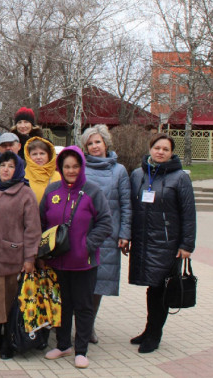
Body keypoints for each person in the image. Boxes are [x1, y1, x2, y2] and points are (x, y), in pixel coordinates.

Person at [40, 146, 111, 369]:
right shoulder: (52, 191)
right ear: (60, 168)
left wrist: (87, 245)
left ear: (82, 167)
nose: (71, 170)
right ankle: (63, 345)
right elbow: (41, 221)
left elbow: (105, 223)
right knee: (62, 304)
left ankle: (81, 349)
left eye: (75, 166)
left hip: (83, 262)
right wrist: (43, 251)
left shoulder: (92, 191)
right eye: (66, 166)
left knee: (83, 305)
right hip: (57, 261)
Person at [128, 133, 195, 354]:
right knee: (151, 288)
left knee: (161, 288)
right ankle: (149, 329)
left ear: (171, 153)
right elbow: (130, 207)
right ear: (151, 148)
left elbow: (188, 213)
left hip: (167, 243)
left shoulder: (180, 178)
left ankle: (155, 334)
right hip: (143, 241)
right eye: (157, 148)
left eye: (165, 149)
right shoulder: (138, 174)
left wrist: (187, 244)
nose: (160, 152)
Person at [0, 151, 40, 360]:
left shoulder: (25, 193)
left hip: (11, 256)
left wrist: (30, 257)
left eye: (11, 166)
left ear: (18, 170)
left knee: (8, 301)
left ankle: (8, 339)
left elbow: (32, 229)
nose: (6, 169)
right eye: (3, 165)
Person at [81, 124, 131, 345]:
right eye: (90, 143)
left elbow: (126, 204)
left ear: (106, 143)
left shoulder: (119, 171)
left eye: (97, 142)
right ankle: (75, 322)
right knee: (79, 281)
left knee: (99, 283)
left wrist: (125, 233)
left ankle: (88, 326)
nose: (94, 146)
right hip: (82, 233)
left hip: (107, 236)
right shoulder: (80, 168)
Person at [24, 137, 61, 202]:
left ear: (49, 155)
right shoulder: (23, 177)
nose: (38, 157)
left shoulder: (59, 177)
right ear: (28, 156)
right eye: (34, 154)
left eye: (42, 153)